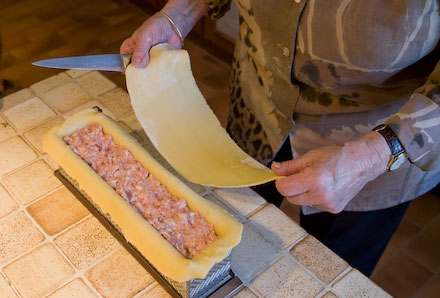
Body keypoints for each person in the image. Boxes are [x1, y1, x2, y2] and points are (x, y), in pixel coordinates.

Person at [121, 0, 440, 276]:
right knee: (226, 238)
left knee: (324, 278)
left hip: (374, 148)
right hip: (257, 107)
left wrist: (379, 151)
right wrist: (178, 15)